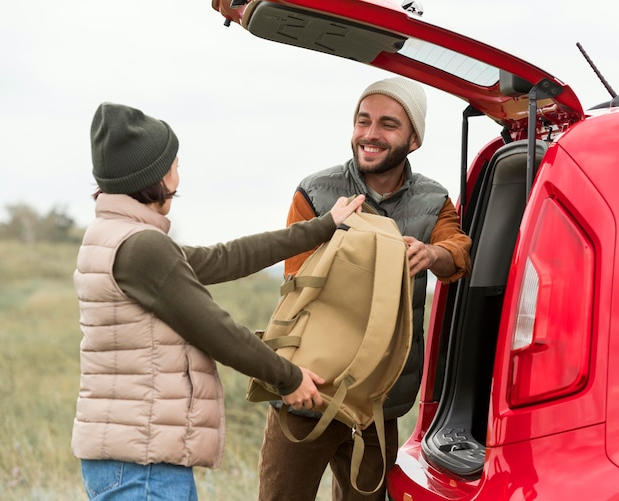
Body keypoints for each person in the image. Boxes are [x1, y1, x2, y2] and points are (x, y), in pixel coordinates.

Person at [70, 102, 365, 501]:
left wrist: (320, 228)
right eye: (174, 163)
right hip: (143, 466)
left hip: (132, 457)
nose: (179, 173)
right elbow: (215, 329)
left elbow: (225, 258)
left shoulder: (113, 236)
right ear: (154, 176)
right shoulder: (141, 248)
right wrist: (288, 376)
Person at [257, 77, 472, 501]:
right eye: (363, 121)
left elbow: (458, 252)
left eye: (388, 124)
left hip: (378, 401)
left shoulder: (434, 200)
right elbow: (296, 283)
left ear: (414, 139)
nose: (370, 134)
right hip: (309, 391)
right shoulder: (315, 192)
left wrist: (430, 254)